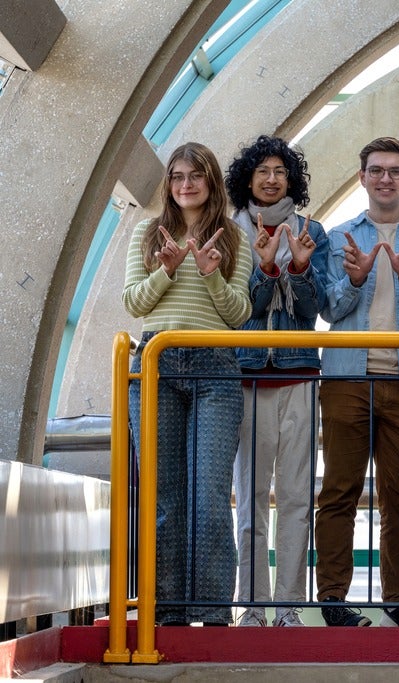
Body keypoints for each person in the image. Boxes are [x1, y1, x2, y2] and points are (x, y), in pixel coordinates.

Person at [317, 137, 399, 627]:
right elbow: (328, 309)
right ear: (362, 178)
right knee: (339, 491)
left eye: (395, 171)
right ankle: (333, 599)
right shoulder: (338, 237)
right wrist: (355, 280)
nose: (386, 178)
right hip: (348, 377)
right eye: (376, 170)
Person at [122, 141, 253, 626]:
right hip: (157, 363)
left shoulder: (233, 238)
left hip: (215, 368)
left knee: (210, 495)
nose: (186, 184)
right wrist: (167, 269)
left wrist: (210, 274)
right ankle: (168, 612)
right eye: (177, 176)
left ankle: (214, 613)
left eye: (196, 175)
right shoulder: (147, 233)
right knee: (163, 496)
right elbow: (134, 303)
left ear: (211, 181)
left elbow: (238, 314)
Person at [224, 135, 328, 628]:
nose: (271, 179)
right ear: (247, 179)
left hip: (299, 372)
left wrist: (301, 266)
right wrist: (266, 267)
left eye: (280, 171)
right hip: (247, 375)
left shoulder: (312, 231)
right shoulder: (227, 233)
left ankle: (288, 607)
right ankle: (252, 606)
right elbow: (238, 306)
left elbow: (313, 309)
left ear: (292, 180)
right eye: (262, 171)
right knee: (250, 498)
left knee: (295, 496)